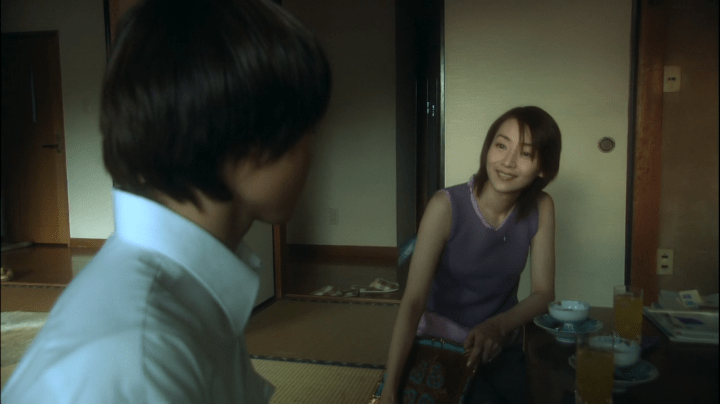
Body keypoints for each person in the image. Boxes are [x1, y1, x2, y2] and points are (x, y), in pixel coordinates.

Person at [1, 0, 330, 402]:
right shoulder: (136, 358)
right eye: (309, 130)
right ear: (245, 140)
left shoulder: (185, 287)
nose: (312, 153)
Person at [378, 106, 562, 404]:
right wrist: (388, 389)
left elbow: (544, 292)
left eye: (526, 153)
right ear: (488, 148)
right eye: (501, 145)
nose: (507, 161)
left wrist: (497, 326)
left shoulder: (542, 206)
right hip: (442, 344)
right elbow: (413, 301)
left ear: (544, 168)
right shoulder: (446, 206)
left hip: (500, 343)